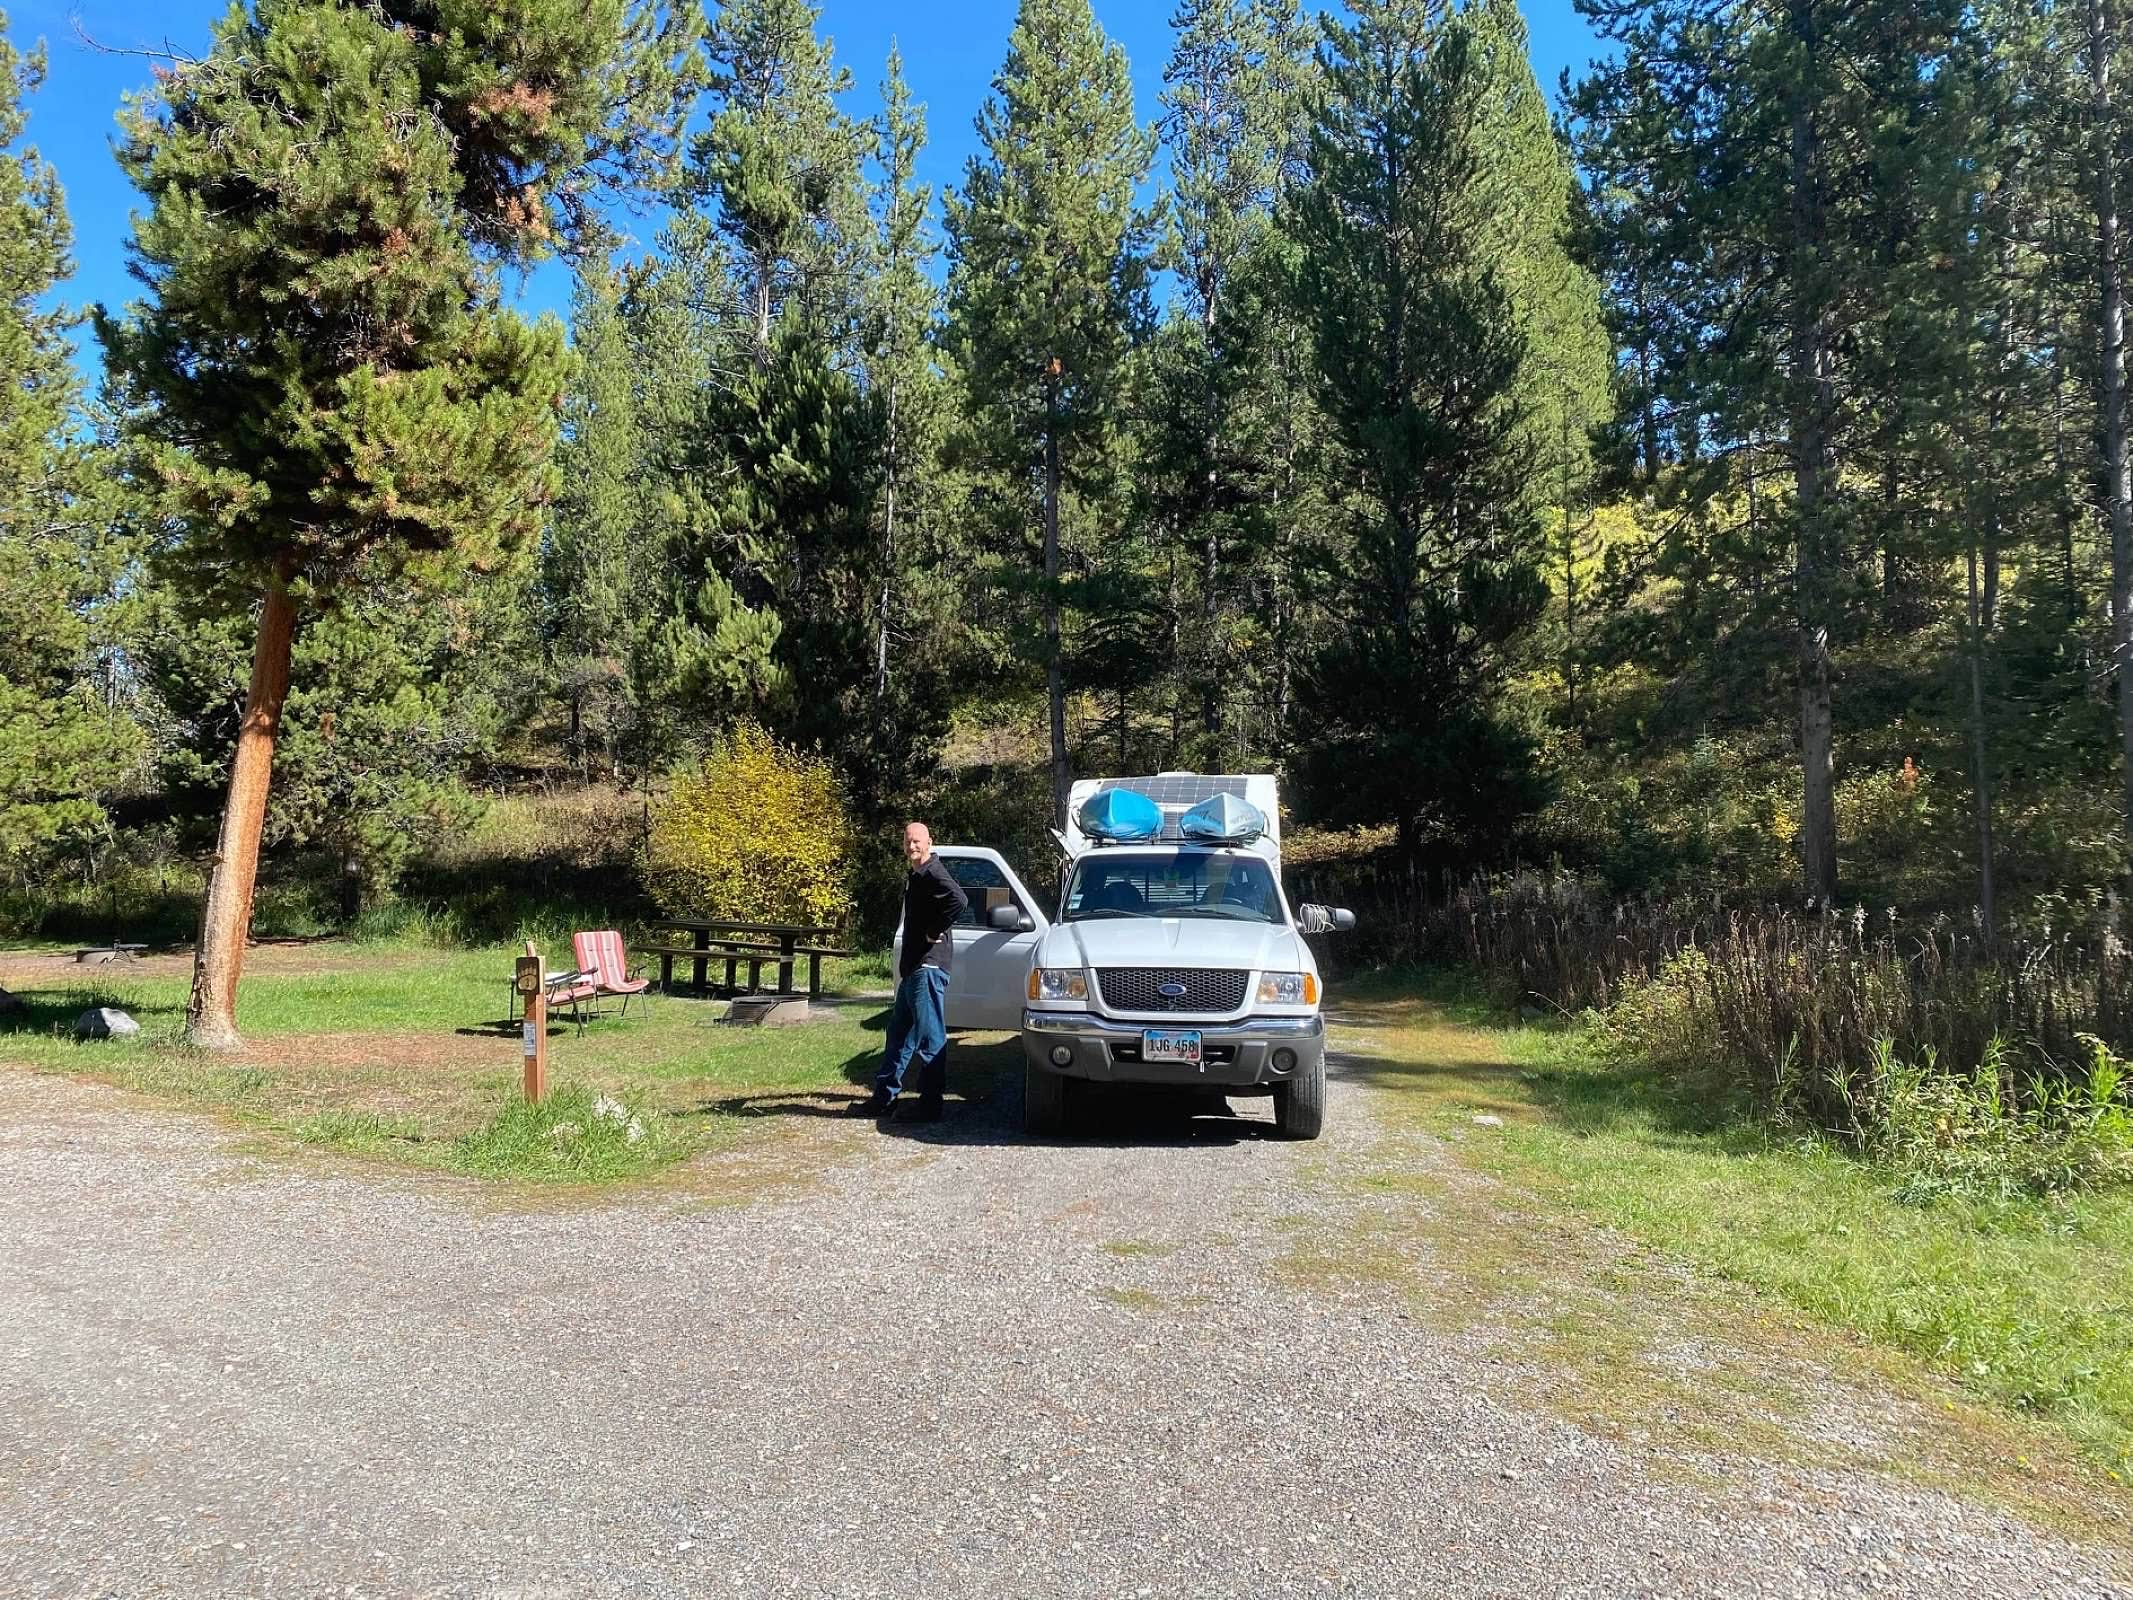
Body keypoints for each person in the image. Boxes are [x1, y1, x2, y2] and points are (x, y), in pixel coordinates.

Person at [850, 821, 968, 1121]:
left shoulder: (932, 872)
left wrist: (933, 931)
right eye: (907, 841)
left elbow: (959, 900)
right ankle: (884, 1100)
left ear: (929, 842)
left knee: (930, 1039)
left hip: (928, 968)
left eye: (917, 841)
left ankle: (930, 1107)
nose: (912, 846)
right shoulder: (916, 875)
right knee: (899, 1035)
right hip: (913, 969)